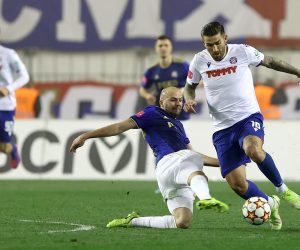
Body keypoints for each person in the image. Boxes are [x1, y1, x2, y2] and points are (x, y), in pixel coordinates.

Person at [183, 21, 300, 231]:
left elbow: (270, 61)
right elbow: (188, 88)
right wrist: (189, 99)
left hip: (247, 117)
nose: (215, 49)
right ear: (204, 44)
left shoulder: (243, 52)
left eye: (217, 43)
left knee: (253, 149)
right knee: (238, 185)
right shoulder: (199, 61)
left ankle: (283, 190)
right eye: (209, 45)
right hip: (222, 128)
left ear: (225, 38)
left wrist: (297, 72)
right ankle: (270, 204)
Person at [70, 87, 229, 229]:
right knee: (194, 167)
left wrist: (227, 164)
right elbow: (120, 126)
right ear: (162, 102)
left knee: (182, 221)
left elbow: (196, 156)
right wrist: (86, 136)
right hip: (168, 163)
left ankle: (133, 221)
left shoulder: (178, 125)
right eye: (173, 100)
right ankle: (206, 198)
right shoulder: (152, 113)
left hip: (177, 172)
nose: (178, 103)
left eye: (181, 100)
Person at [139, 35, 190, 121]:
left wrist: (184, 89)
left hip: (180, 114)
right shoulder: (152, 70)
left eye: (166, 45)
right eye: (160, 46)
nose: (163, 48)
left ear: (171, 48)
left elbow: (197, 80)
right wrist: (147, 96)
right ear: (156, 49)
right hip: (161, 114)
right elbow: (142, 89)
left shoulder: (182, 65)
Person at [0, 44, 29, 168]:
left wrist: (8, 89)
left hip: (5, 106)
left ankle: (12, 149)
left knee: (3, 146)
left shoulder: (8, 54)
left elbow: (25, 77)